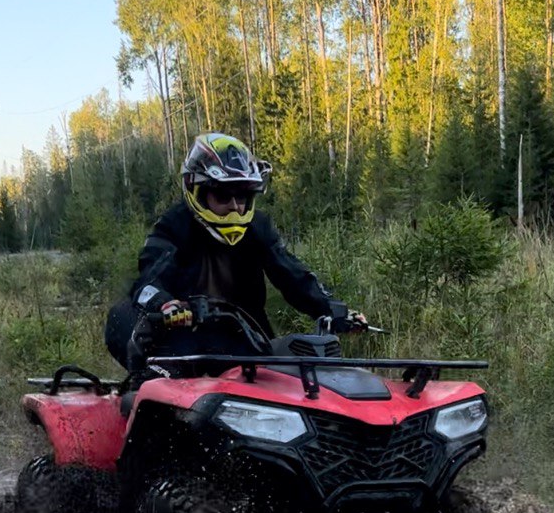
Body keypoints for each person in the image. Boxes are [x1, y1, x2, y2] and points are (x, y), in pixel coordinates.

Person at [105, 132, 366, 370]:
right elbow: (148, 278)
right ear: (197, 191)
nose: (235, 207)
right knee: (122, 318)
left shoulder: (258, 227)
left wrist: (335, 310)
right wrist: (164, 303)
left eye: (242, 196)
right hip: (185, 345)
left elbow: (292, 274)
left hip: (247, 341)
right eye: (222, 196)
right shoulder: (174, 225)